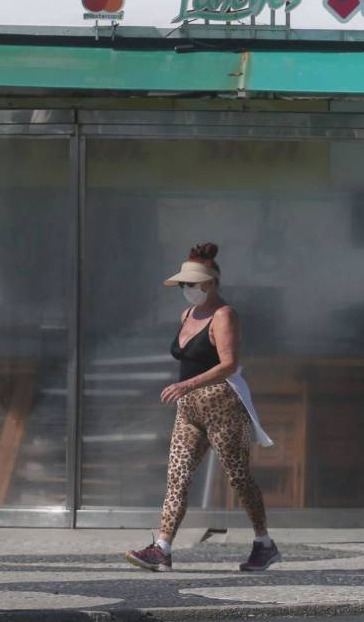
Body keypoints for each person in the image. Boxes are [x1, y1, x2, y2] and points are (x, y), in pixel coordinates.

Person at [126, 243, 279, 573]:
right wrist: (185, 390)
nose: (186, 289)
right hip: (189, 410)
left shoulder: (224, 316)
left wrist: (187, 384)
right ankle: (162, 548)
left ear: (209, 283)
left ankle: (264, 543)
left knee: (239, 477)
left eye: (191, 284)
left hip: (222, 406)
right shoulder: (187, 315)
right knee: (177, 476)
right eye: (182, 284)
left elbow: (229, 363)